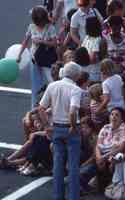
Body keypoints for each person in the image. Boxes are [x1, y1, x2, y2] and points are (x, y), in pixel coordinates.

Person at [39, 62, 82, 200]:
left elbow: (41, 108)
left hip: (56, 127)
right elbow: (73, 111)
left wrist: (47, 126)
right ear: (76, 75)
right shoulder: (75, 89)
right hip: (70, 129)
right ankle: (73, 197)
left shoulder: (52, 86)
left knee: (57, 164)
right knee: (73, 166)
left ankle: (57, 196)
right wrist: (73, 126)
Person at [17, 5, 57, 108]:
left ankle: (53, 105)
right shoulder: (31, 27)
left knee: (51, 81)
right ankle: (34, 108)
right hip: (34, 59)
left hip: (46, 59)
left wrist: (42, 42)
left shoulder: (50, 28)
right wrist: (19, 55)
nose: (38, 24)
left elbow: (54, 43)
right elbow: (25, 41)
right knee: (35, 85)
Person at [95, 107, 125, 190]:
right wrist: (99, 158)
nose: (113, 117)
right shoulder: (105, 128)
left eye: (117, 115)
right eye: (112, 114)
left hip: (113, 155)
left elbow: (121, 148)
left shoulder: (124, 129)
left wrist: (103, 158)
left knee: (113, 160)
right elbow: (97, 145)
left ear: (122, 119)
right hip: (102, 155)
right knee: (92, 165)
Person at [81, 16, 102, 82]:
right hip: (85, 70)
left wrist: (82, 60)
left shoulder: (97, 39)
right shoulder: (87, 37)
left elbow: (92, 59)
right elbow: (82, 49)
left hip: (94, 73)